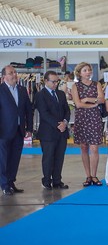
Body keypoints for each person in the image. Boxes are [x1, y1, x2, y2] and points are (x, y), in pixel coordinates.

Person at [0, 65, 33, 196]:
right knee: (3, 159)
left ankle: (11, 181)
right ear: (4, 77)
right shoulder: (1, 90)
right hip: (3, 131)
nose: (14, 75)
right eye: (10, 73)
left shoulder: (22, 89)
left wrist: (29, 128)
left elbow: (28, 111)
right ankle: (4, 184)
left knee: (14, 158)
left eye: (15, 72)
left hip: (19, 131)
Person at [35, 71, 71, 190]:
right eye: (53, 81)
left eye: (57, 81)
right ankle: (46, 181)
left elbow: (67, 110)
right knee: (48, 157)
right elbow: (44, 114)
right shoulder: (40, 95)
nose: (56, 84)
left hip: (62, 132)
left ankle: (57, 181)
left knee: (59, 157)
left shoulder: (60, 94)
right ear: (46, 81)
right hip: (48, 133)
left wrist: (65, 122)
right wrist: (57, 125)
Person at [71, 62, 104, 187]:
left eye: (89, 70)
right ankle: (88, 175)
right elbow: (78, 104)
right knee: (84, 147)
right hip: (82, 118)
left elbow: (102, 99)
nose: (88, 72)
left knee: (94, 147)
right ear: (79, 73)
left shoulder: (97, 84)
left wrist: (87, 99)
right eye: (85, 70)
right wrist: (94, 103)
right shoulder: (75, 86)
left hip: (94, 118)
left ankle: (94, 175)